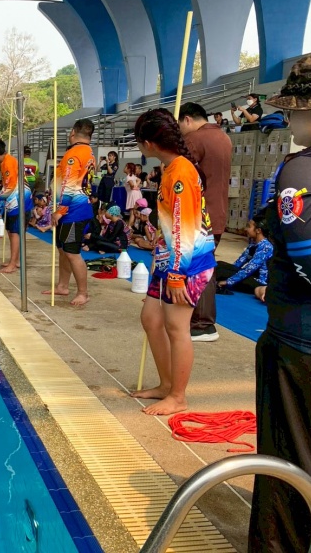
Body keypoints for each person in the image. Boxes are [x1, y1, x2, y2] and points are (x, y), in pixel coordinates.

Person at [247, 53, 311, 553]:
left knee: (292, 474)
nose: (290, 119)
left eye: (296, 109)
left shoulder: (304, 169)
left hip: (303, 349)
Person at [131, 109, 216, 415]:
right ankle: (167, 384)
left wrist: (178, 274)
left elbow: (185, 229)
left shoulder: (180, 173)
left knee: (176, 326)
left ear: (149, 144)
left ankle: (178, 396)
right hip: (169, 258)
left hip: (187, 263)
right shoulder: (171, 168)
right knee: (151, 319)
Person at [178, 101, 233, 343]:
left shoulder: (195, 139)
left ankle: (202, 324)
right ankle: (200, 320)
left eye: (180, 125)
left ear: (187, 119)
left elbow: (180, 171)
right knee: (204, 266)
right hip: (217, 211)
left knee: (199, 269)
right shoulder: (223, 137)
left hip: (200, 214)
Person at [48, 119, 96, 306]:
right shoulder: (89, 153)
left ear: (73, 132)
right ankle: (62, 285)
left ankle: (83, 292)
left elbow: (69, 184)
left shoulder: (74, 154)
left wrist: (60, 211)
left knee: (71, 252)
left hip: (74, 211)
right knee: (63, 249)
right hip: (76, 208)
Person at [0, 137, 30, 273]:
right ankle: (15, 260)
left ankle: (13, 264)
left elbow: (10, 187)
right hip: (15, 200)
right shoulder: (5, 162)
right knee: (12, 232)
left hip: (18, 201)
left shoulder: (8, 162)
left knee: (15, 232)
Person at [216, 215, 272, 295]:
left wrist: (228, 281)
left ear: (258, 230)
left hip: (259, 282)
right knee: (219, 264)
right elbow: (237, 264)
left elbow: (249, 269)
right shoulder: (253, 245)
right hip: (250, 276)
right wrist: (228, 272)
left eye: (249, 227)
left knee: (221, 272)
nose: (246, 229)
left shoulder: (266, 247)